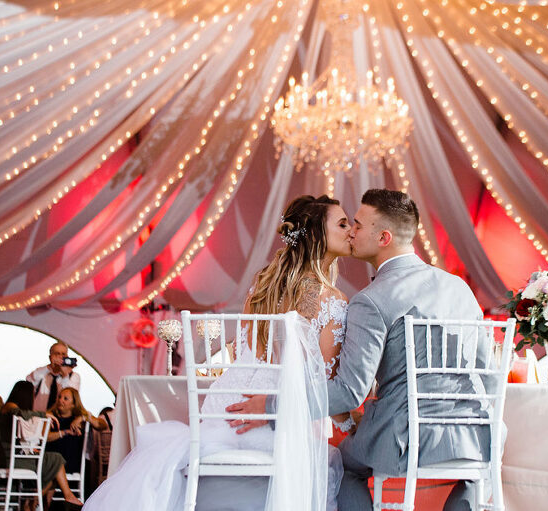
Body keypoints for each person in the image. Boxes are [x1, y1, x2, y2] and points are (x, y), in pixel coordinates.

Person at [83, 194, 353, 511]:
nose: (351, 230)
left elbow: (243, 351)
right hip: (273, 421)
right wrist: (354, 427)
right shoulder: (333, 300)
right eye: (343, 223)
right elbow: (322, 387)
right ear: (317, 234)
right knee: (338, 464)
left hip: (220, 413)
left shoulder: (262, 286)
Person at [230, 189, 489, 511]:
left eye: (356, 224)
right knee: (467, 476)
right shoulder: (458, 287)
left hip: (406, 436)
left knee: (343, 467)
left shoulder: (372, 299)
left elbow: (350, 392)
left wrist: (273, 406)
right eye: (345, 224)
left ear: (383, 237)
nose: (352, 231)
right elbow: (484, 367)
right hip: (475, 435)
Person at [0, 380, 83, 506]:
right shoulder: (10, 406)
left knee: (53, 463)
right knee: (56, 459)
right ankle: (66, 495)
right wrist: (43, 414)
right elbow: (20, 414)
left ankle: (34, 501)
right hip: (8, 460)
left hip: (6, 458)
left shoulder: (9, 407)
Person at [46, 387, 108, 473]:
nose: (60, 400)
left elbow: (103, 425)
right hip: (52, 461)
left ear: (74, 404)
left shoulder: (79, 419)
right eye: (59, 397)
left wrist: (84, 417)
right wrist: (64, 432)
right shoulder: (51, 417)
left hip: (72, 463)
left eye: (65, 398)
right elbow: (45, 438)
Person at [26, 341, 81, 412]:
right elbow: (29, 381)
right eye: (57, 353)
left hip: (59, 418)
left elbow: (71, 397)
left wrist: (65, 375)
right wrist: (49, 368)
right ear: (50, 357)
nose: (60, 357)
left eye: (63, 354)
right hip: (38, 417)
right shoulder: (42, 372)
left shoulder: (73, 376)